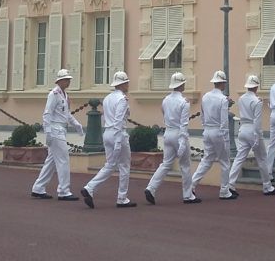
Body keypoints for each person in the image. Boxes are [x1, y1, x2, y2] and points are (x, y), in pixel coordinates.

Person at [82, 71, 136, 209]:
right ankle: (122, 198)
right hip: (118, 133)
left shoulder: (107, 98)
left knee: (110, 165)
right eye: (127, 82)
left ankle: (90, 187)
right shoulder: (122, 99)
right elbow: (118, 121)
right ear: (123, 84)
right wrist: (118, 141)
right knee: (124, 166)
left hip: (107, 133)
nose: (128, 85)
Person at [31, 69, 85, 201]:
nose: (69, 81)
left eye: (69, 79)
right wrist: (48, 132)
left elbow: (66, 114)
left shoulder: (64, 95)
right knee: (63, 160)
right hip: (55, 130)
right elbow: (47, 114)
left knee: (52, 161)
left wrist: (76, 124)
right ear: (60, 81)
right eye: (66, 79)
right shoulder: (54, 94)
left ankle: (38, 188)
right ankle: (64, 190)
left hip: (60, 129)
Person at [145, 72, 197, 205]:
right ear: (182, 84)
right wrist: (182, 142)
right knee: (185, 165)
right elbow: (184, 124)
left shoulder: (165, 100)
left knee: (166, 164)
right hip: (179, 134)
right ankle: (188, 195)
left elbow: (164, 114)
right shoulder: (184, 102)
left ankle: (151, 188)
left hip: (168, 133)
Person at [229, 75, 275, 196]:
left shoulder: (241, 98)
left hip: (243, 129)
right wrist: (257, 136)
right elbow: (257, 121)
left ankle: (230, 184)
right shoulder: (257, 101)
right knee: (262, 159)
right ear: (256, 86)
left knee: (239, 158)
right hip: (252, 129)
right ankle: (267, 186)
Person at [190, 71, 237, 200]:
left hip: (207, 130)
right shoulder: (222, 99)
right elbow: (224, 120)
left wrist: (205, 127)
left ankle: (191, 185)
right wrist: (226, 137)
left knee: (206, 160)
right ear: (222, 83)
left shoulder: (205, 97)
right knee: (225, 162)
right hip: (218, 131)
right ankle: (224, 191)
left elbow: (203, 115)